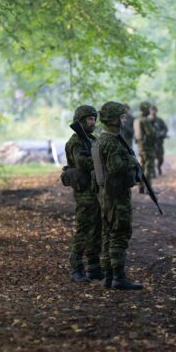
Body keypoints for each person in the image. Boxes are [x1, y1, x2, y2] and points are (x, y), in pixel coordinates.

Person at [94, 101, 142, 290]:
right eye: (121, 117)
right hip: (116, 196)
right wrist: (130, 159)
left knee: (108, 234)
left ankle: (108, 276)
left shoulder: (103, 139)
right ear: (113, 119)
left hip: (106, 195)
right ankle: (119, 277)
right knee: (119, 234)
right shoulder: (111, 142)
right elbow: (115, 167)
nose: (123, 120)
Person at [63, 105, 102, 283]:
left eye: (94, 118)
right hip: (84, 191)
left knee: (97, 228)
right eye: (89, 119)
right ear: (80, 121)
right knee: (85, 228)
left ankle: (93, 265)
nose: (92, 122)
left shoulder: (91, 139)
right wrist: (102, 160)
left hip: (95, 189)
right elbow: (82, 163)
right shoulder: (76, 141)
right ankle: (76, 266)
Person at [133, 101, 156, 191]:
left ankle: (141, 187)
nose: (150, 111)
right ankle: (148, 188)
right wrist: (154, 130)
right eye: (149, 108)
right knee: (149, 167)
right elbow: (150, 133)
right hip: (147, 147)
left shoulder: (136, 119)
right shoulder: (145, 120)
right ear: (146, 109)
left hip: (140, 146)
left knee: (142, 166)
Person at [150, 105, 168, 176]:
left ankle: (158, 167)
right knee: (151, 158)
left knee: (160, 158)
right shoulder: (147, 120)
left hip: (159, 142)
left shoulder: (160, 120)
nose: (153, 112)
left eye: (154, 110)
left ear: (156, 111)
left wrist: (162, 133)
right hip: (151, 143)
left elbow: (165, 129)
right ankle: (153, 172)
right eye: (152, 110)